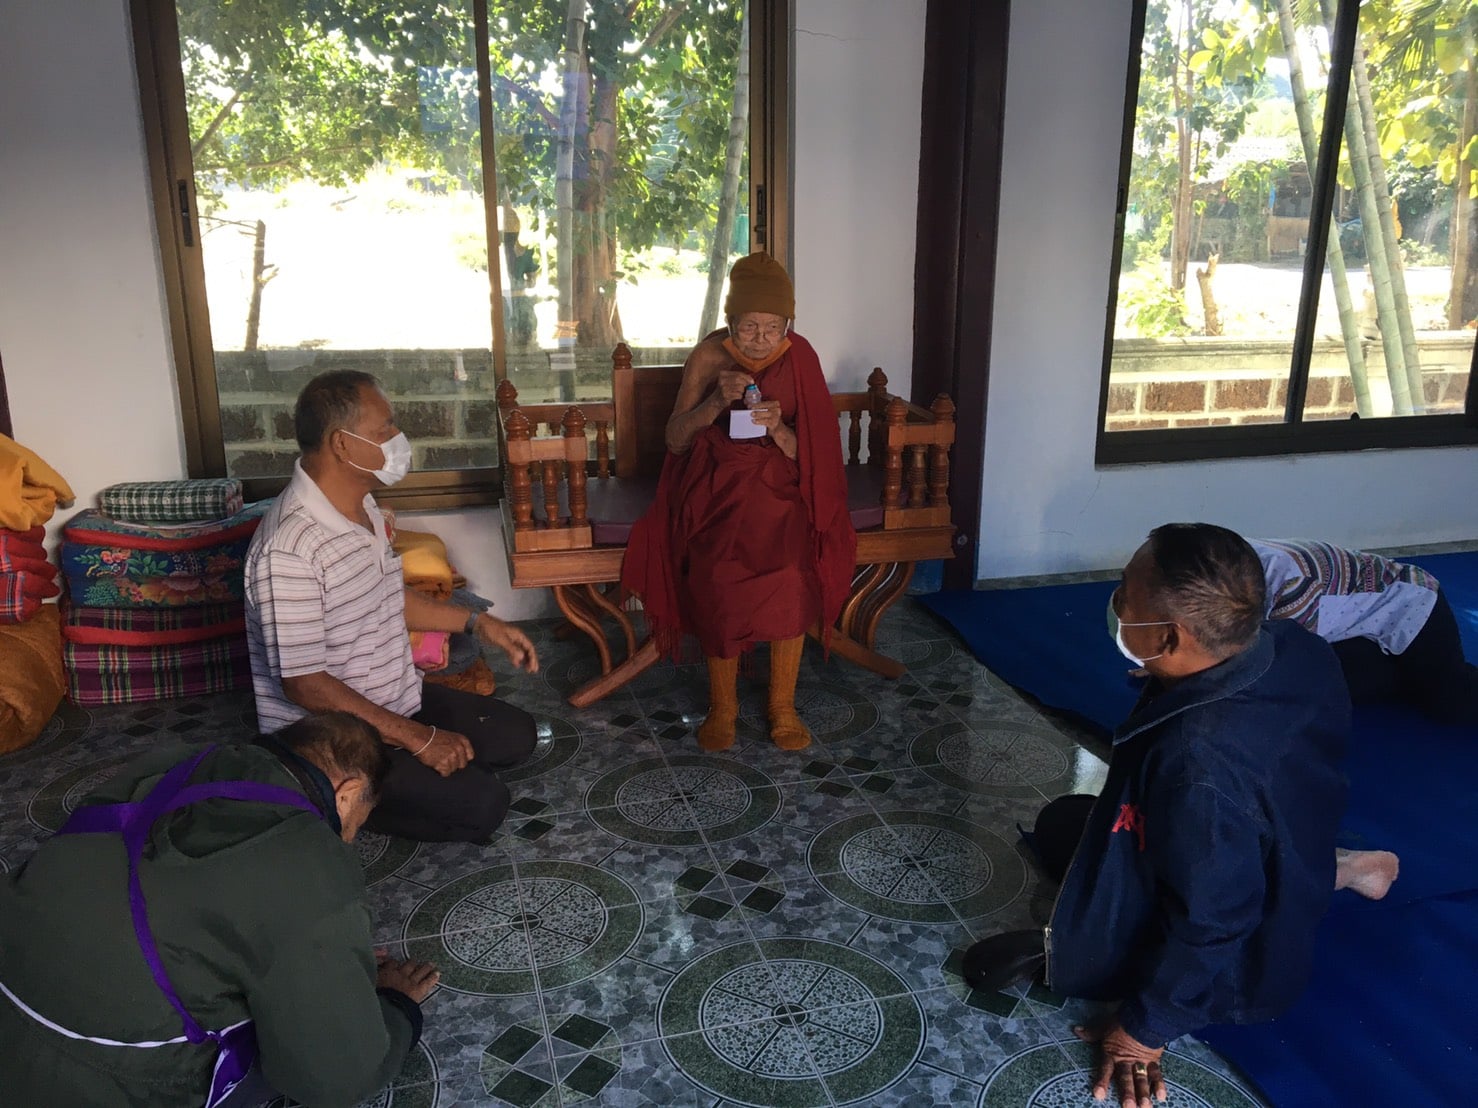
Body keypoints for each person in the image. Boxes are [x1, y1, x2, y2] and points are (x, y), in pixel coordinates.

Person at [962, 524, 1351, 1108]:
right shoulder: (1291, 645)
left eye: (1125, 592)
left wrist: (1143, 1031)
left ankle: (1310, 874)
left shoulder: (1198, 766)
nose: (1117, 602)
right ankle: (1325, 867)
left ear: (1171, 637)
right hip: (1281, 840)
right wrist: (1167, 673)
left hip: (1241, 956)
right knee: (1066, 824)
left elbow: (1216, 922)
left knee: (1025, 946)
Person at [0, 712, 440, 1108]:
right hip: (96, 1081)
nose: (348, 838)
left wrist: (330, 957)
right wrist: (394, 1005)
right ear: (348, 793)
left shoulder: (173, 761)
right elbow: (335, 1080)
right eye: (357, 823)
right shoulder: (308, 858)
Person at [245, 370, 539, 843]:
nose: (398, 437)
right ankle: (325, 798)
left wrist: (479, 622)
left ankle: (402, 765)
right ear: (342, 444)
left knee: (517, 736)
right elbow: (303, 683)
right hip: (333, 739)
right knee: (485, 805)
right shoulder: (289, 548)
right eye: (385, 428)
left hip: (395, 698)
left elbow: (387, 597)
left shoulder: (361, 505)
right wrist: (419, 739)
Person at [622, 253, 856, 753]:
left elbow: (814, 453)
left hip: (780, 494)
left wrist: (779, 428)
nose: (761, 339)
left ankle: (782, 706)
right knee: (718, 580)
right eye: (750, 326)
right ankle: (723, 706)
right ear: (730, 320)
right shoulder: (709, 356)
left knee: (791, 577)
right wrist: (713, 403)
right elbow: (675, 440)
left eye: (774, 327)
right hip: (715, 491)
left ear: (788, 323)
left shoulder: (801, 357)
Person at [1250, 537, 1476, 727]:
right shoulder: (1235, 559)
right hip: (1348, 623)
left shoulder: (1291, 584)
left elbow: (1287, 674)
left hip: (1408, 605)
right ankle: (1407, 672)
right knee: (1352, 682)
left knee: (1450, 701)